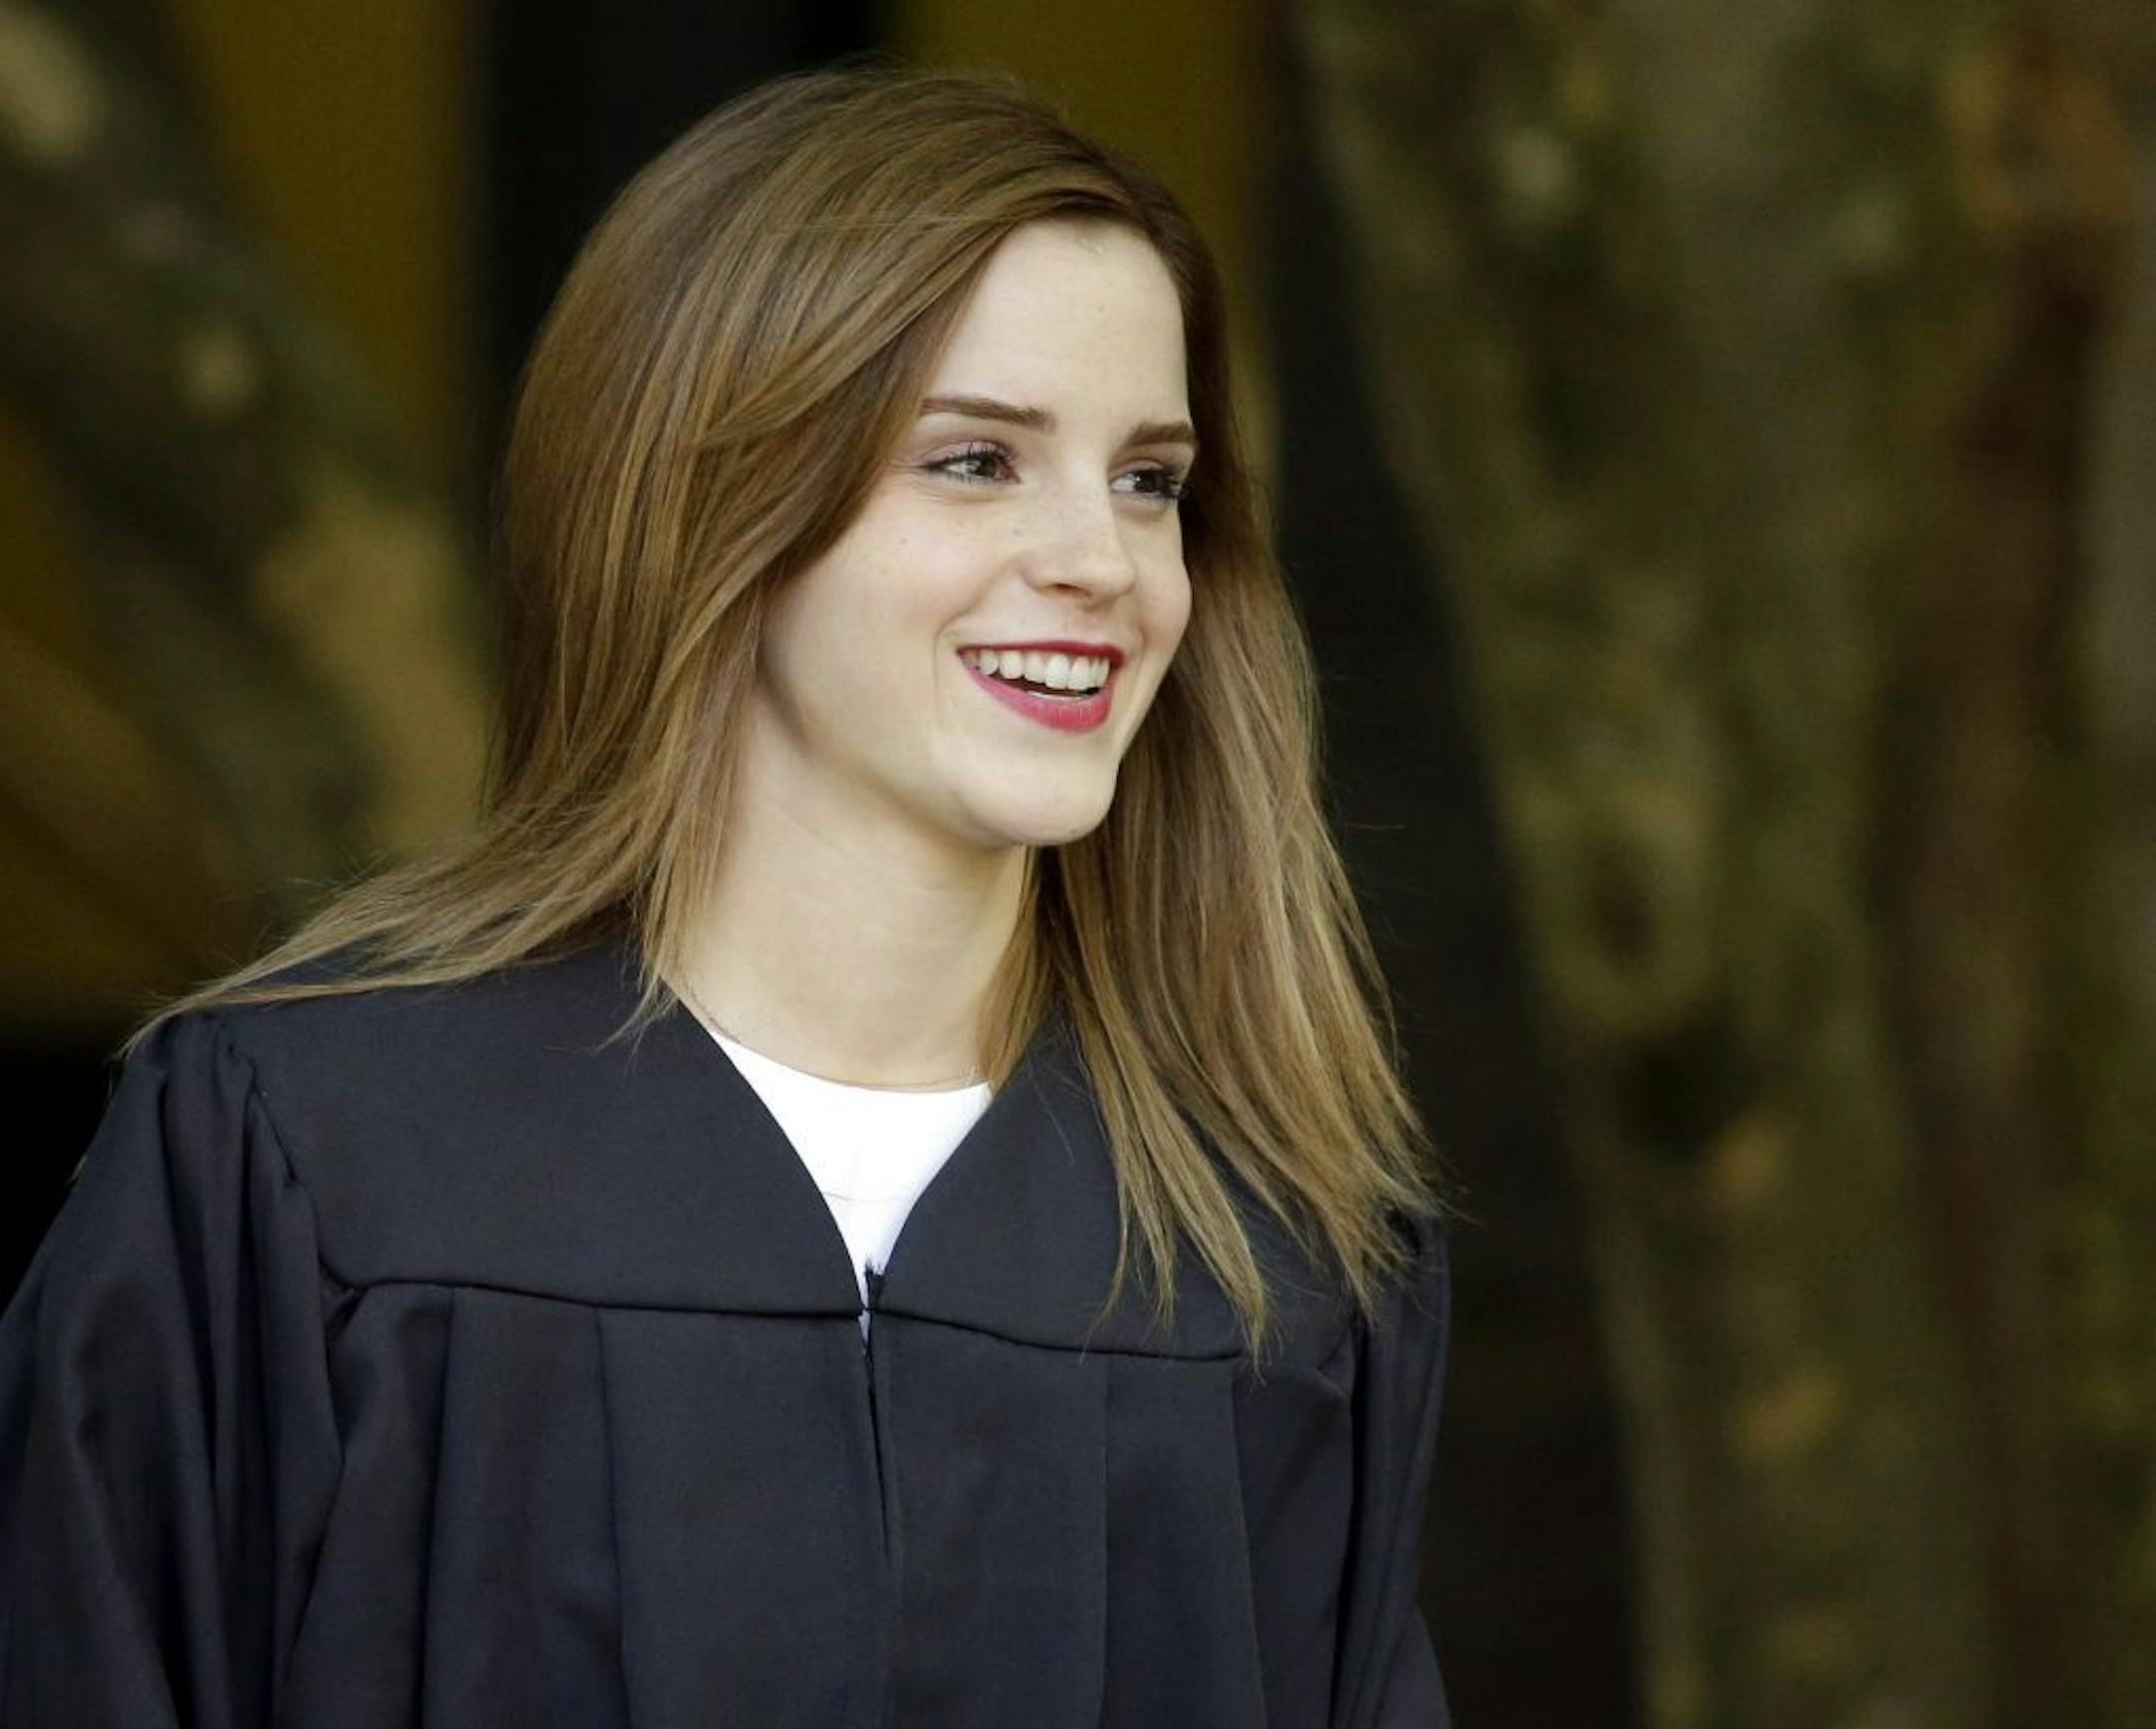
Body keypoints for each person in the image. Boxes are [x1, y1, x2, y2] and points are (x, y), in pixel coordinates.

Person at [0, 64, 1456, 1728]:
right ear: (714, 504)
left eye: (1150, 480)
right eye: (977, 460)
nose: (1104, 565)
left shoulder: (1273, 1258)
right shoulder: (311, 1166)